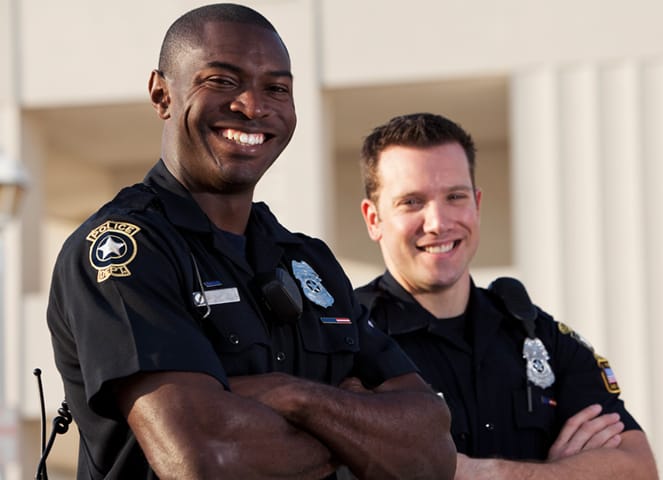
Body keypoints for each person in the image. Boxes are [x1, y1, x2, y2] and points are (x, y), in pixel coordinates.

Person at [46, 5, 455, 479]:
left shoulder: (308, 262)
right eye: (221, 81)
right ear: (162, 94)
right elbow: (204, 458)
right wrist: (359, 432)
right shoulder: (127, 252)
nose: (253, 105)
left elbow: (431, 453)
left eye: (277, 88)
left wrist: (292, 395)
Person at [355, 112, 659, 479]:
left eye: (455, 196)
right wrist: (561, 471)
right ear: (374, 219)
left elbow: (638, 469)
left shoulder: (537, 335)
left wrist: (488, 473)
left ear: (477, 204)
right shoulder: (347, 341)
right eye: (412, 202)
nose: (437, 222)